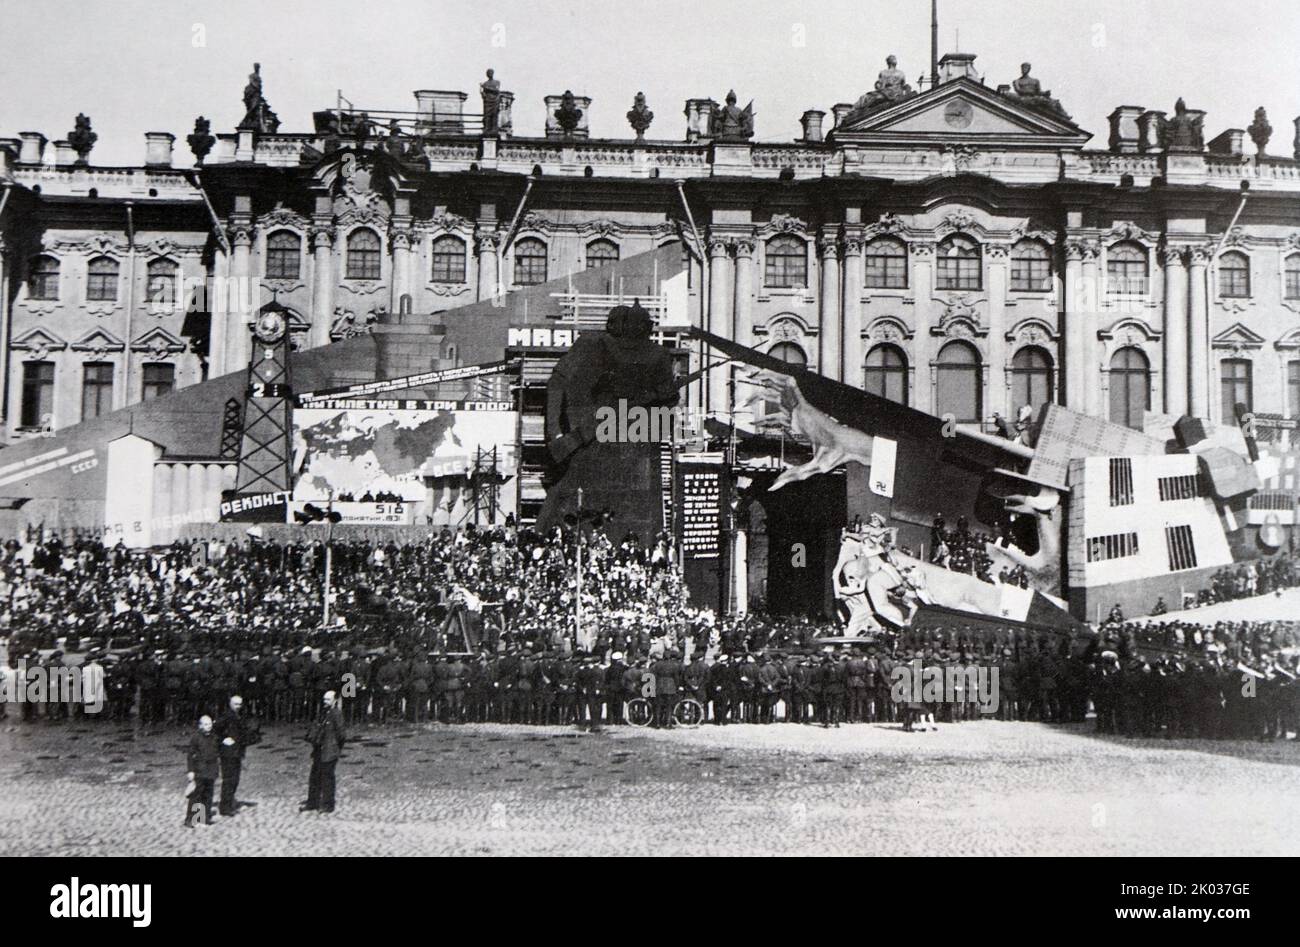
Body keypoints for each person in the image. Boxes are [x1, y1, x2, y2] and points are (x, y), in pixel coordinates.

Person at [302, 690, 346, 813]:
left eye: (328, 700)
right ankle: (312, 802)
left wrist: (335, 748)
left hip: (329, 751)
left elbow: (342, 735)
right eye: (324, 700)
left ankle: (328, 805)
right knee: (314, 777)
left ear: (334, 701)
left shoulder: (336, 714)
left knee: (327, 778)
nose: (325, 702)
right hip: (319, 750)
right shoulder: (323, 712)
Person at [215, 694, 251, 817]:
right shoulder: (226, 716)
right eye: (236, 704)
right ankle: (225, 807)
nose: (238, 706)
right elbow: (215, 730)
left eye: (240, 704)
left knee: (235, 779)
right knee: (229, 779)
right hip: (228, 753)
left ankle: (230, 801)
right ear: (230, 704)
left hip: (237, 752)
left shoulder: (239, 715)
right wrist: (223, 739)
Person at [185, 715, 219, 827]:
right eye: (205, 724)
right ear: (200, 725)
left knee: (208, 795)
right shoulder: (196, 737)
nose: (208, 726)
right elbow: (190, 755)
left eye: (209, 724)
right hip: (199, 770)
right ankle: (191, 819)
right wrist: (190, 771)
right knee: (196, 796)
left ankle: (204, 818)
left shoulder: (214, 737)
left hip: (211, 770)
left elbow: (217, 752)